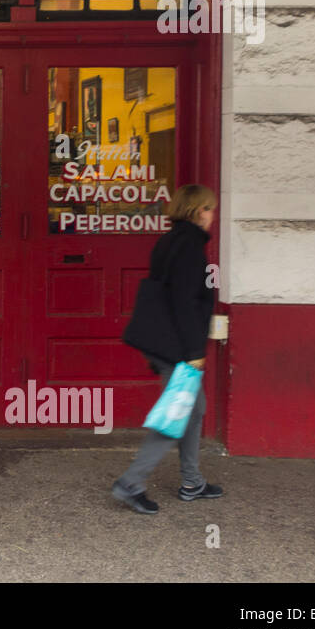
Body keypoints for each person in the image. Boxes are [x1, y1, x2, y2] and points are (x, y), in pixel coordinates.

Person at [112, 184, 222, 514]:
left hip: (164, 341)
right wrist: (194, 350)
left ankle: (192, 481)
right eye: (210, 209)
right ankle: (132, 483)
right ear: (199, 210)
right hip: (177, 344)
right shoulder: (189, 246)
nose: (212, 215)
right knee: (177, 412)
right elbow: (184, 303)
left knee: (193, 409)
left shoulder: (170, 240)